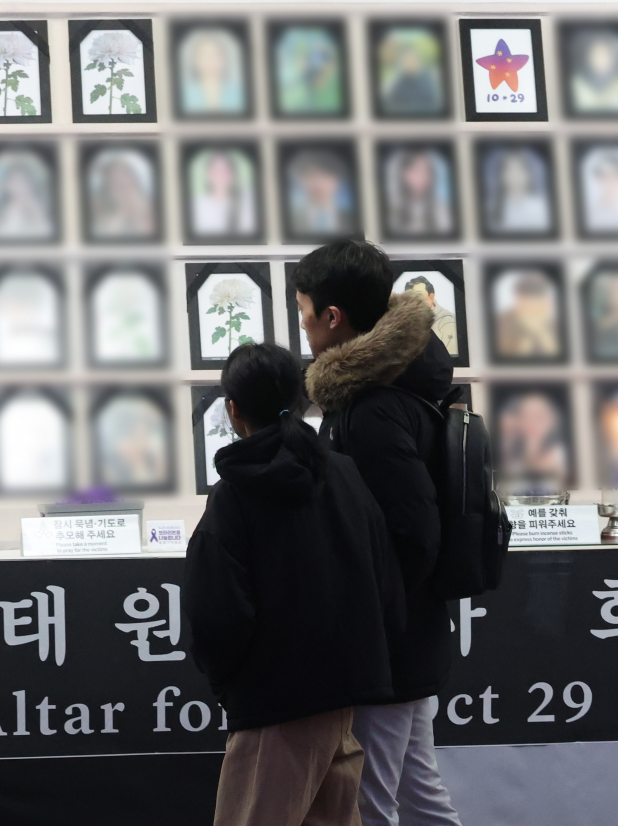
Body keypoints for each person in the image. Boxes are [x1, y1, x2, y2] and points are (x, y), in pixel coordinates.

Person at [184, 341, 402, 826]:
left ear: (232, 409)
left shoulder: (235, 494)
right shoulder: (343, 473)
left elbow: (215, 614)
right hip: (344, 700)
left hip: (273, 707)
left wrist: (232, 685)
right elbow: (385, 579)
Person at [295, 239, 463, 826]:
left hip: (387, 643)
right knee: (419, 793)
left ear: (333, 317)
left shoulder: (370, 410)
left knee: (369, 802)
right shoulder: (403, 387)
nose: (306, 330)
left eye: (305, 315)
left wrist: (372, 618)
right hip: (407, 635)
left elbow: (413, 529)